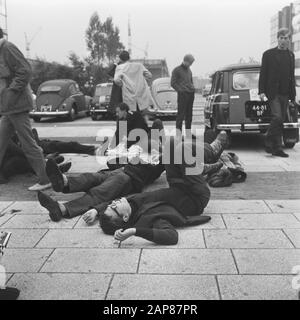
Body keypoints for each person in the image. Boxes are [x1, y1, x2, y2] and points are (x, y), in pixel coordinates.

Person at [37, 153, 165, 222]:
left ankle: (62, 209)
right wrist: (127, 157)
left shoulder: (153, 168)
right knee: (89, 178)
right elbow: (111, 162)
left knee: (98, 194)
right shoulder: (137, 157)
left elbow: (166, 160)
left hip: (126, 177)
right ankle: (64, 182)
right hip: (114, 172)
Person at [0, 27, 50, 190]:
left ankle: (45, 179)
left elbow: (25, 70)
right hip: (9, 108)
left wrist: (11, 91)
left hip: (17, 104)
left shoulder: (7, 48)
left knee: (28, 143)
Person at [259, 28, 296, 158]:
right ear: (278, 39)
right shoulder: (268, 54)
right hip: (272, 93)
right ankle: (268, 140)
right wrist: (261, 91)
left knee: (281, 121)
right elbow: (263, 74)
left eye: (286, 38)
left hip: (286, 93)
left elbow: (291, 76)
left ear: (289, 40)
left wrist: (293, 95)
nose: (284, 40)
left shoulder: (291, 55)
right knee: (278, 117)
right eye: (281, 38)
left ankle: (277, 148)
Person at [171, 54, 196, 134]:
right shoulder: (176, 70)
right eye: (190, 63)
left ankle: (188, 134)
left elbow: (191, 82)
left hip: (190, 94)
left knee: (189, 116)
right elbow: (173, 83)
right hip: (183, 95)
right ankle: (179, 135)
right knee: (180, 116)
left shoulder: (189, 71)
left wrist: (193, 89)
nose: (191, 64)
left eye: (191, 63)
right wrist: (180, 91)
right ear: (185, 61)